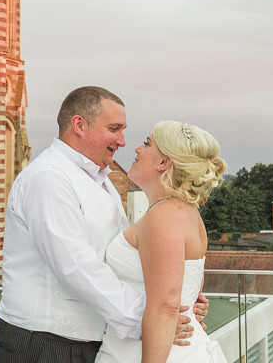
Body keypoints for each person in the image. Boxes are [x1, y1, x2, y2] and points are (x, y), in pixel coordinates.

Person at [0, 87, 205, 363]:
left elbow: (128, 259)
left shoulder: (101, 181)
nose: (123, 141)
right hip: (42, 345)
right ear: (79, 125)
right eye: (114, 129)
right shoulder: (48, 178)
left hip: (93, 343)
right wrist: (148, 315)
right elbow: (75, 266)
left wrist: (181, 301)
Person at [96, 120, 228, 363]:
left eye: (147, 144)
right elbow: (189, 290)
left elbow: (166, 307)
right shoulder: (185, 211)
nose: (137, 149)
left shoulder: (165, 216)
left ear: (164, 162)